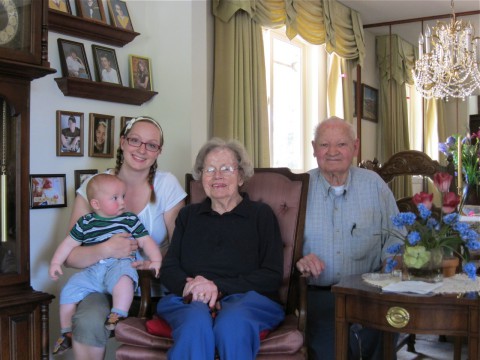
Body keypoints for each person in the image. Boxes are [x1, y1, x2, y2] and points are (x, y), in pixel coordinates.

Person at [63, 116, 186, 360]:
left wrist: (154, 260)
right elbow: (70, 256)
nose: (142, 150)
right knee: (87, 319)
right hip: (103, 282)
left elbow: (182, 246)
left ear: (159, 151)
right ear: (122, 142)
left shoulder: (167, 185)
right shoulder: (93, 186)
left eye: (151, 145)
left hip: (154, 288)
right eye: (135, 141)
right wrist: (107, 249)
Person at [157, 138, 285, 360]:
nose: (218, 176)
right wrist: (193, 290)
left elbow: (271, 275)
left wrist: (217, 287)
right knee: (195, 323)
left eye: (226, 168)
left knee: (232, 324)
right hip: (191, 299)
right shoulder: (188, 216)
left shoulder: (260, 215)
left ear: (241, 176)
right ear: (201, 176)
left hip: (248, 301)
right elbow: (170, 267)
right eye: (210, 169)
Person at [295, 117, 403, 360]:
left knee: (380, 347)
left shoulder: (374, 184)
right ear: (314, 148)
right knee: (328, 352)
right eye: (324, 145)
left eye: (341, 145)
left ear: (355, 147)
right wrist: (299, 258)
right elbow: (284, 245)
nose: (332, 152)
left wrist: (391, 262)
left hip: (370, 292)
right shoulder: (299, 187)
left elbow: (397, 233)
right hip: (320, 295)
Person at [49, 174, 162, 355]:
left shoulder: (129, 219)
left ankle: (118, 313)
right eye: (115, 198)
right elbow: (68, 244)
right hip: (94, 269)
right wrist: (56, 262)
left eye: (123, 197)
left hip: (119, 264)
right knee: (69, 290)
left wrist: (155, 260)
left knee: (124, 280)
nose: (122, 202)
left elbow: (146, 241)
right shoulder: (85, 222)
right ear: (96, 204)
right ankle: (66, 332)